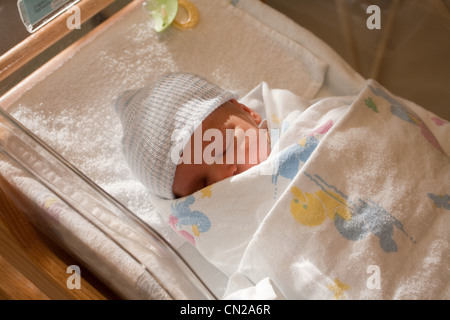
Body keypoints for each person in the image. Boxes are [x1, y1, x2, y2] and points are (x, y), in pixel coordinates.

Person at [113, 72, 271, 200]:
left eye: (223, 149)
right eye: (203, 186)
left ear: (247, 111)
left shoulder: (290, 124)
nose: (223, 176)